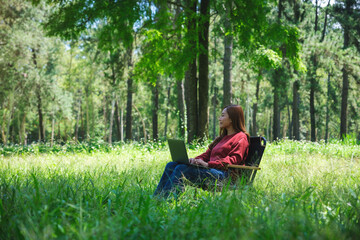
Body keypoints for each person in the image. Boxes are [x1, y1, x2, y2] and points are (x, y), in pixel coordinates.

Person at [153, 105, 250, 198]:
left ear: (232, 118)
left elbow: (233, 160)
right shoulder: (221, 138)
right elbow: (206, 155)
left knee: (181, 168)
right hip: (212, 170)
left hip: (225, 175)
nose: (219, 118)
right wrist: (194, 161)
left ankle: (167, 199)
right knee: (171, 165)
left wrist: (208, 164)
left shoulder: (241, 137)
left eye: (223, 115)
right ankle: (156, 198)